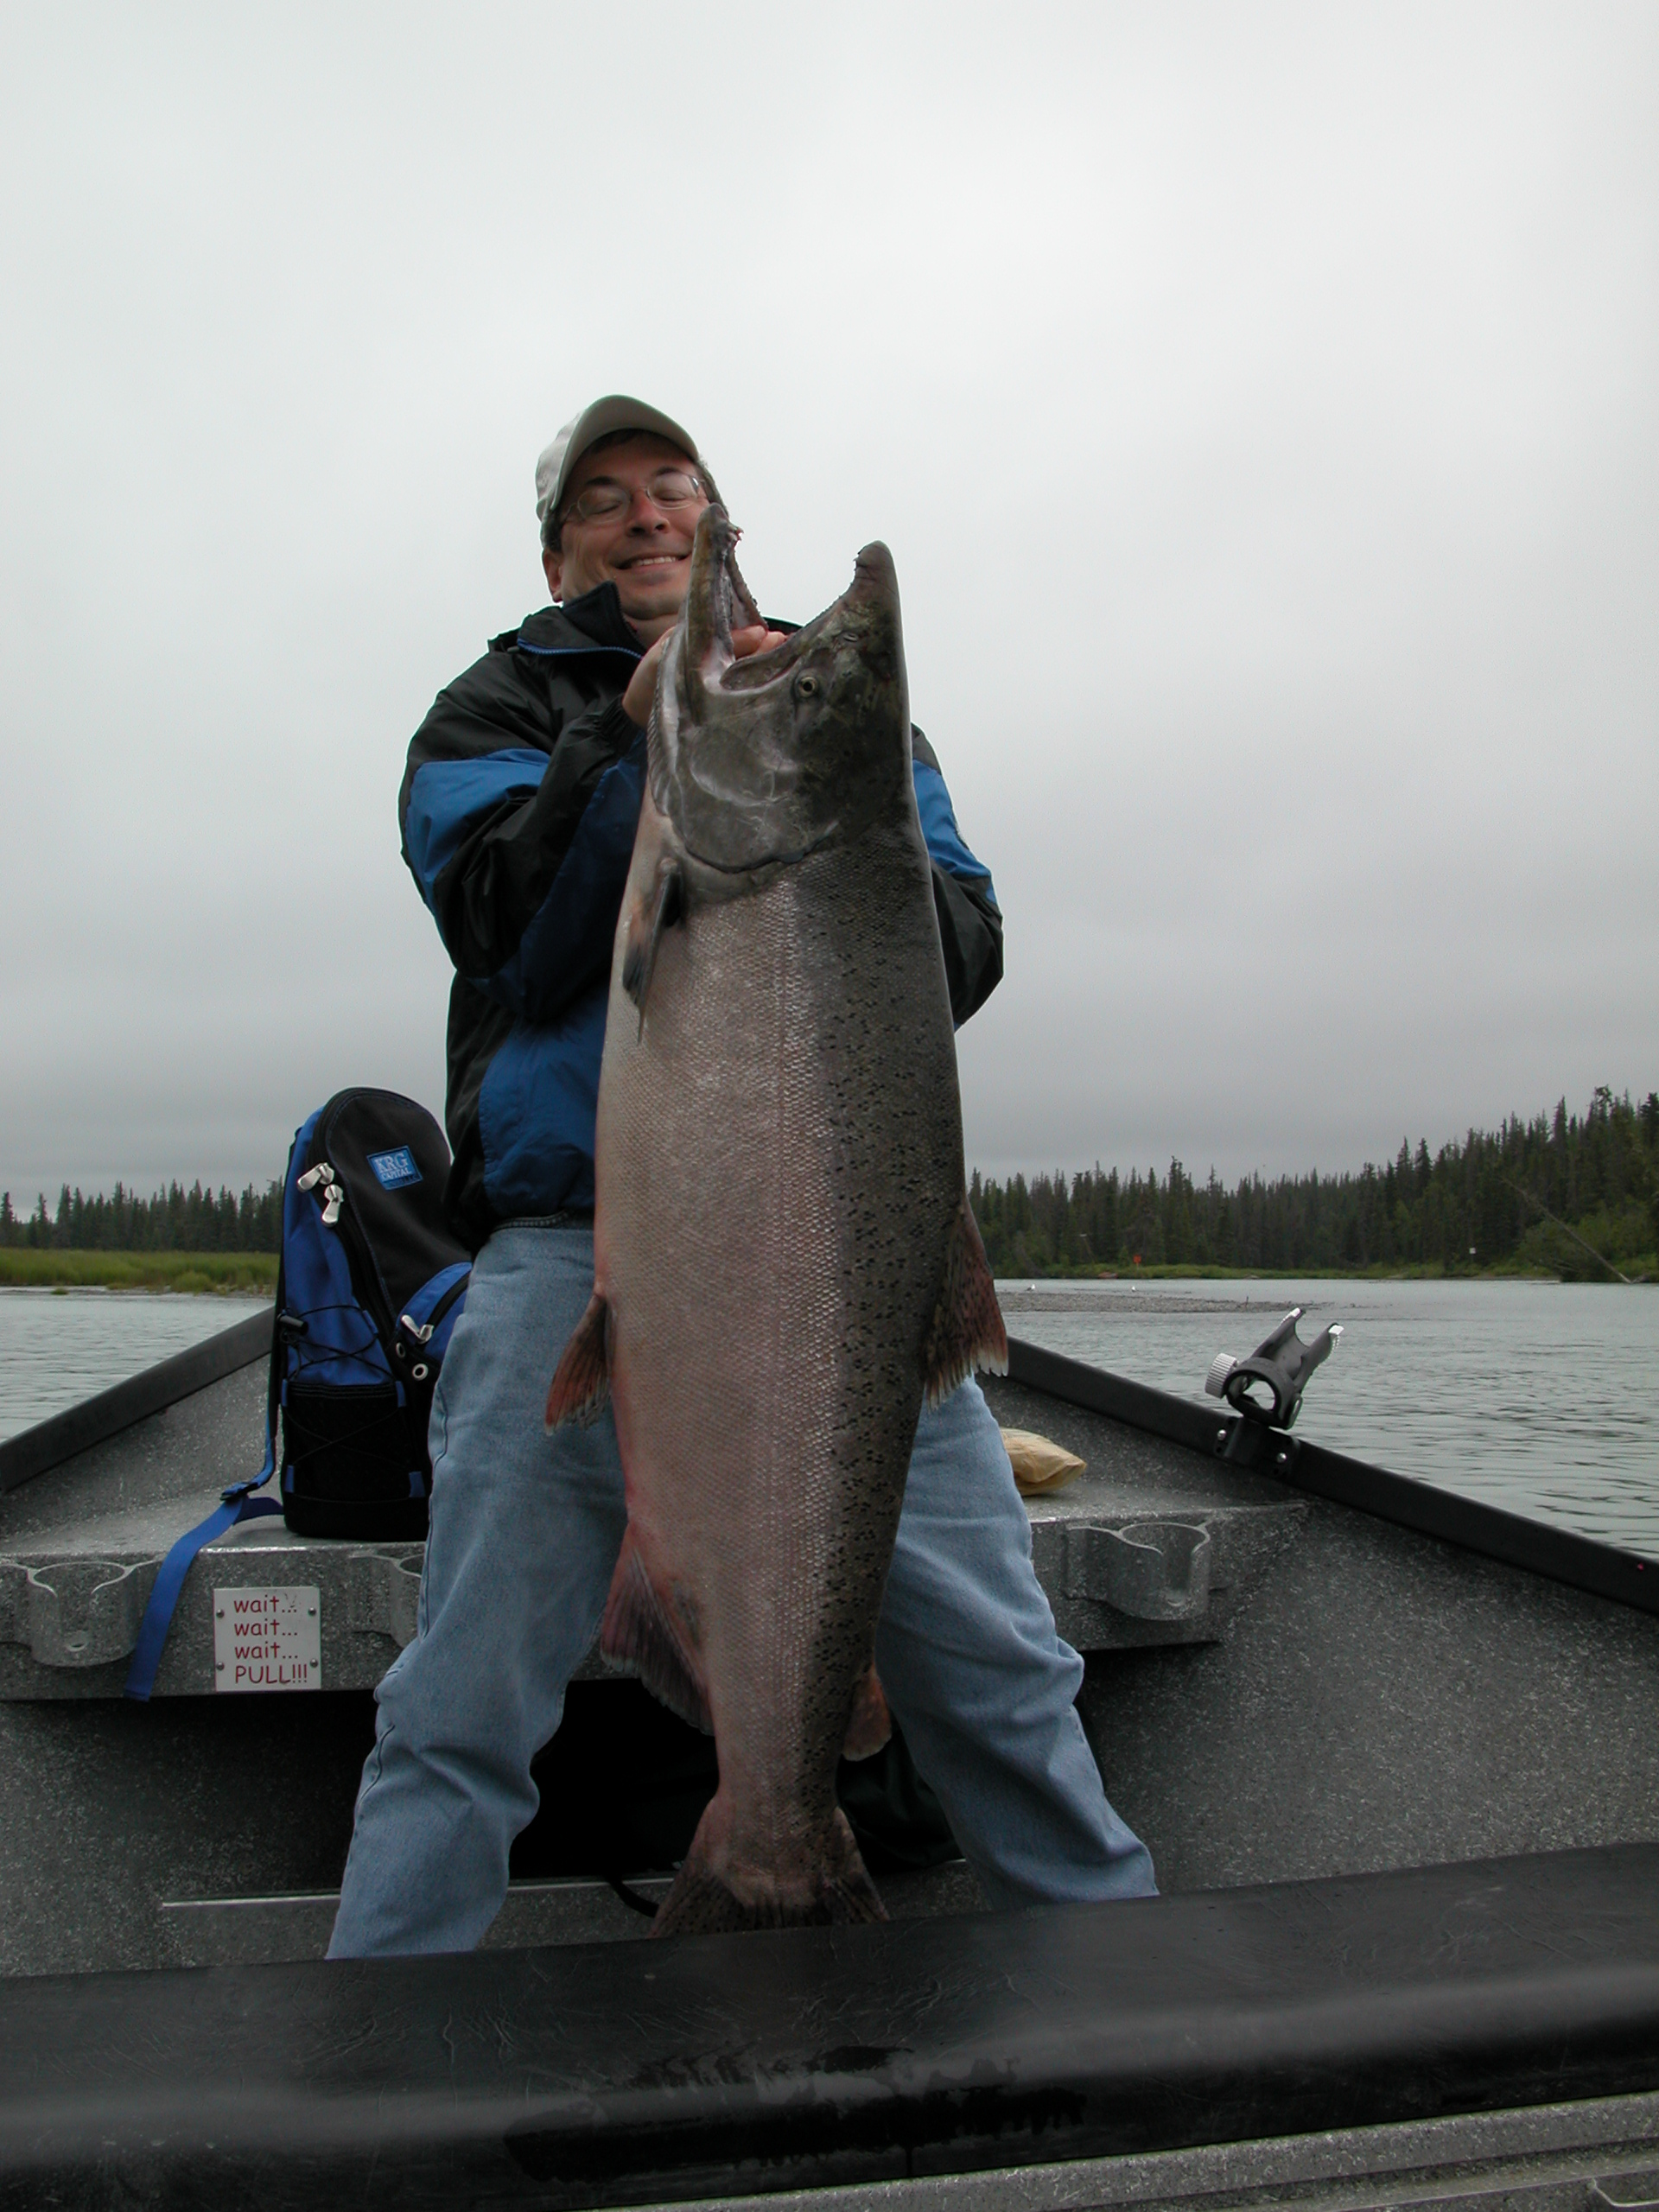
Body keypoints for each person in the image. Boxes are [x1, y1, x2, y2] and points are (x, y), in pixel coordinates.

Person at [327, 396, 1154, 1955]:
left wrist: (808, 794)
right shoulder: (490, 715)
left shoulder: (848, 718)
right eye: (605, 498)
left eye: (674, 490)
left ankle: (1132, 1992)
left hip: (860, 1250)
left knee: (1004, 1671)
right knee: (460, 1701)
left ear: (718, 524)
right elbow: (510, 924)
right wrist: (628, 732)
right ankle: (378, 2047)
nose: (645, 516)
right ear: (560, 544)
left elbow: (961, 946)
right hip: (571, 1262)